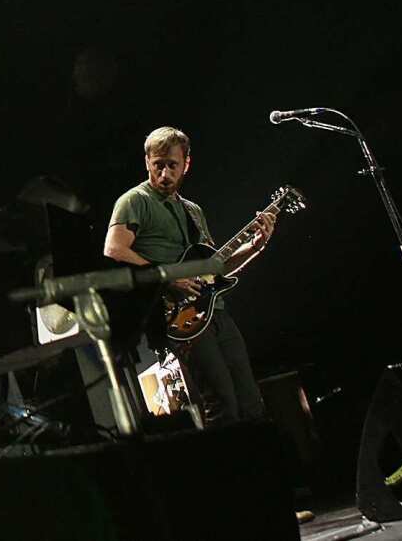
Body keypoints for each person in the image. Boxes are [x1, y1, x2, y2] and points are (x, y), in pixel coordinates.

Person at [102, 125, 275, 425]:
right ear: (147, 162)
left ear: (187, 164)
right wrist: (167, 278)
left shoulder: (193, 211)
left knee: (252, 404)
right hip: (179, 319)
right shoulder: (134, 201)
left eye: (172, 165)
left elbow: (215, 268)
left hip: (217, 313)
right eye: (158, 165)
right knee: (224, 406)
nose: (165, 174)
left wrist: (254, 247)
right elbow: (114, 250)